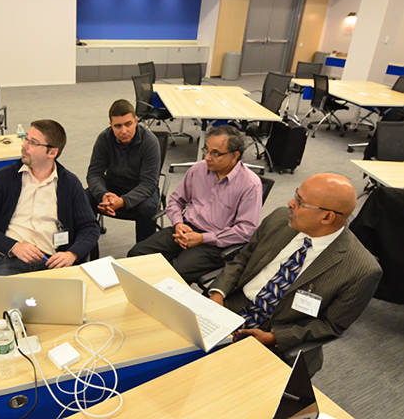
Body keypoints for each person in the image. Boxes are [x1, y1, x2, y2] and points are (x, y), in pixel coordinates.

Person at [208, 173, 382, 370]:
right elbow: (243, 258)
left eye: (300, 202)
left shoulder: (362, 270)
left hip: (278, 336)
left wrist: (273, 337)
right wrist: (217, 295)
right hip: (230, 308)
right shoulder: (280, 219)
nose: (290, 203)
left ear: (327, 217)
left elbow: (330, 325)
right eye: (295, 195)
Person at [128, 125, 262, 284]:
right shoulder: (198, 169)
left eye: (215, 153)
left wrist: (202, 238)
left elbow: (245, 231)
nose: (207, 157)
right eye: (207, 150)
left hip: (214, 243)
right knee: (136, 254)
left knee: (173, 274)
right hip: (185, 228)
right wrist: (178, 223)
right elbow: (176, 200)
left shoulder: (250, 185)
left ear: (234, 156)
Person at [0, 119, 100, 275]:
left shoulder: (69, 184)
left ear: (52, 153)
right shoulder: (3, 179)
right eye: (26, 138)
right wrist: (14, 247)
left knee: (68, 298)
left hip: (52, 261)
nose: (24, 145)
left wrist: (72, 254)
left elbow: (90, 227)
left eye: (33, 143)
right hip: (8, 260)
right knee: (4, 298)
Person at [86, 99, 160, 243]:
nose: (124, 131)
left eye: (128, 124)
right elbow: (94, 173)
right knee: (83, 198)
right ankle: (88, 252)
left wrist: (123, 201)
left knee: (147, 210)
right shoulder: (104, 138)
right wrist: (103, 194)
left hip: (141, 188)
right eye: (117, 126)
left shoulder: (150, 142)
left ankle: (144, 255)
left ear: (136, 121)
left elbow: (149, 183)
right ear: (111, 125)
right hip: (113, 185)